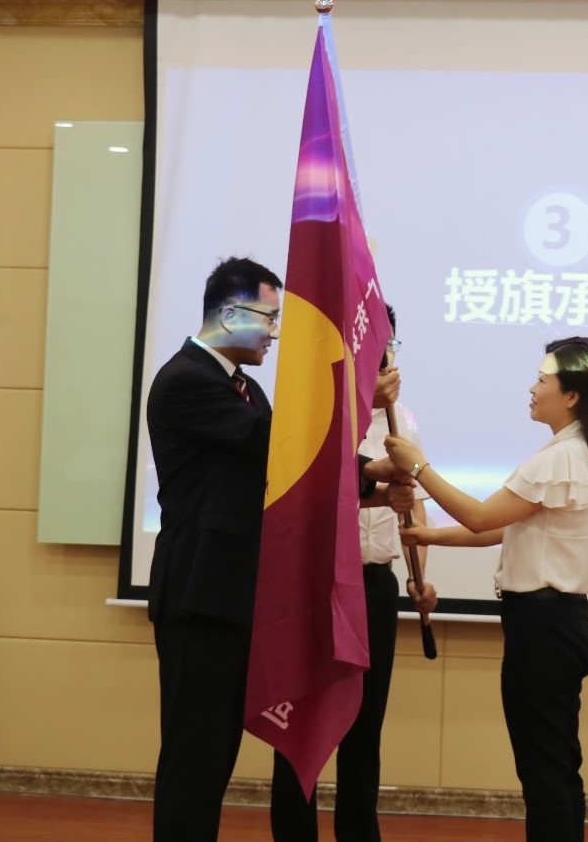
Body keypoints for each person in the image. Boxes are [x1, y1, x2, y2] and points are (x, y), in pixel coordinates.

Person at [146, 255, 402, 842]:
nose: (276, 332)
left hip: (238, 599)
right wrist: (358, 392)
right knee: (195, 758)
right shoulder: (187, 380)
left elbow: (291, 467)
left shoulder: (246, 389)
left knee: (215, 755)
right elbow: (277, 441)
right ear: (230, 314)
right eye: (269, 317)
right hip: (201, 595)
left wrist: (374, 481)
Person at [386, 337, 588, 842]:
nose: (532, 388)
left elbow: (481, 516)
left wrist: (417, 467)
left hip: (543, 628)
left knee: (544, 771)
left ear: (572, 395)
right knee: (558, 764)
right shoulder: (577, 451)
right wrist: (429, 536)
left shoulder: (562, 457)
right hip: (559, 625)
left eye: (542, 380)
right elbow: (505, 527)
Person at [270, 306, 439, 842]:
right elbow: (313, 494)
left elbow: (412, 502)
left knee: (366, 728)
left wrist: (421, 575)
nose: (385, 360)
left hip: (375, 585)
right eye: (373, 348)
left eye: (390, 347)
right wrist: (362, 407)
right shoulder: (315, 408)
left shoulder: (403, 417)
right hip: (317, 586)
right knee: (305, 725)